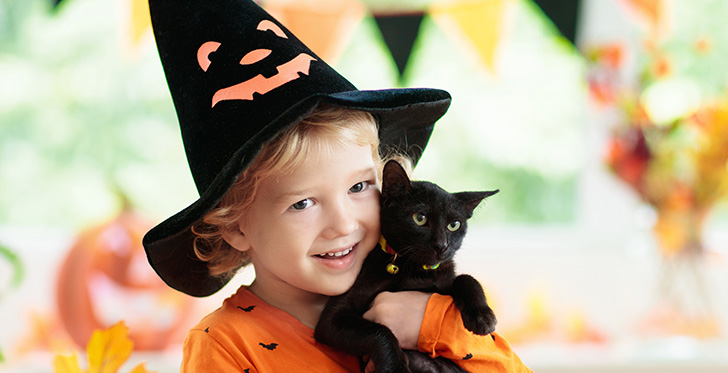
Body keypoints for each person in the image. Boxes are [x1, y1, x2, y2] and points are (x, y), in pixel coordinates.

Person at [143, 0, 532, 371]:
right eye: (303, 203)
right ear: (234, 224)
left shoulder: (428, 305)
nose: (343, 224)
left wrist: (437, 327)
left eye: (360, 187)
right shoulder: (224, 344)